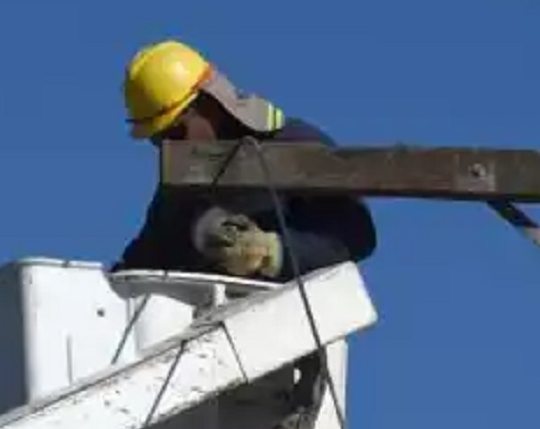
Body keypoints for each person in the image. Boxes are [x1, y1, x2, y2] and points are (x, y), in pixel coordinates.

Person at [110, 39, 378, 281]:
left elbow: (356, 236)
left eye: (175, 132)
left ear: (210, 104)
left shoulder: (295, 146)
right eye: (158, 141)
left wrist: (270, 253)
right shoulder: (182, 183)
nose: (169, 148)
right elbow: (145, 259)